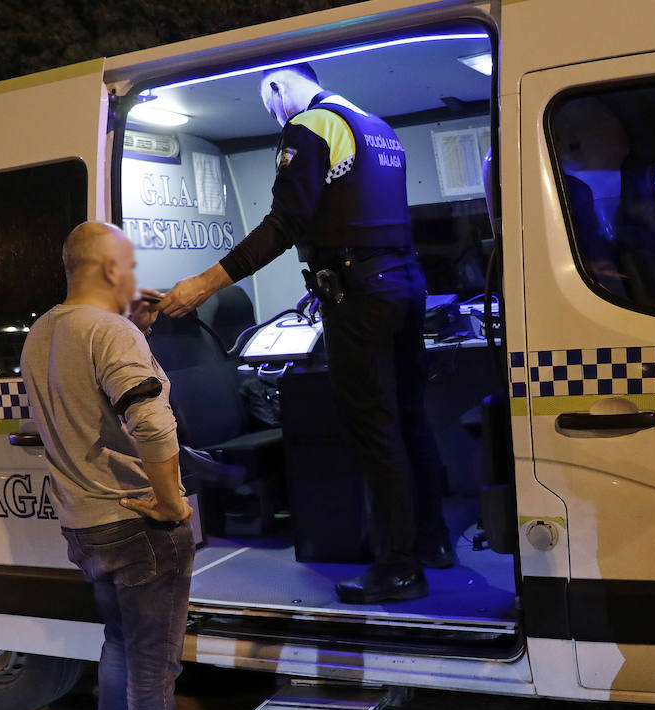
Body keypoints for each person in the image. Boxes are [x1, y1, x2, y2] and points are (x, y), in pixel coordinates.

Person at [154, 63, 452, 604]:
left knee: (375, 431)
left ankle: (397, 568)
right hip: (403, 286)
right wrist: (324, 276)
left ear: (276, 87)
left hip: (361, 301)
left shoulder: (311, 124)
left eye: (269, 104)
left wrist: (205, 283)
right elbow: (360, 217)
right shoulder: (376, 128)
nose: (273, 117)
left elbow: (283, 222)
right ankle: (431, 545)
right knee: (410, 421)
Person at [21, 221, 248, 710]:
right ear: (110, 271)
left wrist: (135, 331)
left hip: (85, 525)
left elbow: (82, 402)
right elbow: (151, 423)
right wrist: (173, 502)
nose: (136, 277)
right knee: (155, 667)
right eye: (130, 264)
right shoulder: (110, 332)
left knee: (119, 645)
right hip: (137, 523)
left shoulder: (45, 331)